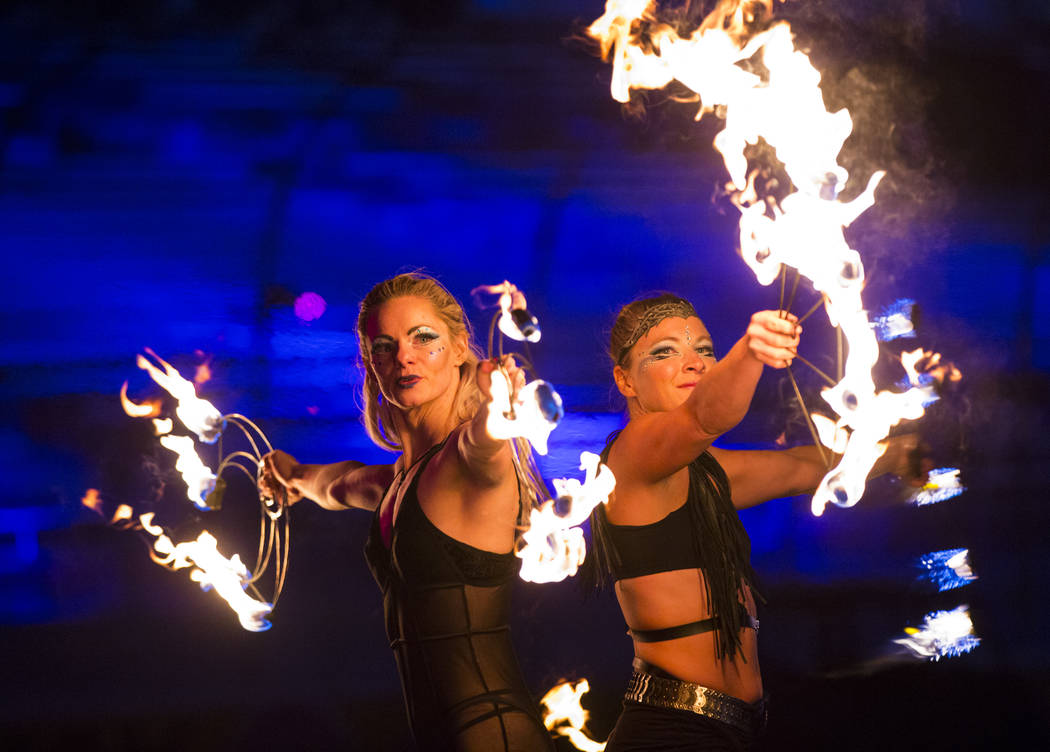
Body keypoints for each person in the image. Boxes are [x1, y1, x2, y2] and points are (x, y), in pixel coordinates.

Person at [584, 293, 922, 751]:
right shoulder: (630, 457)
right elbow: (706, 417)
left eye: (704, 350)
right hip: (671, 734)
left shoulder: (705, 472)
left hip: (733, 732)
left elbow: (797, 469)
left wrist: (899, 453)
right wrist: (750, 349)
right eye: (665, 352)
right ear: (625, 379)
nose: (693, 364)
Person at [258, 273, 555, 752]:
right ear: (371, 363)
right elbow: (335, 485)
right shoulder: (395, 483)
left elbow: (484, 444)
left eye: (424, 338)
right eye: (384, 346)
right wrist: (289, 475)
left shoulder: (468, 462)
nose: (404, 356)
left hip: (496, 737)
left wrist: (497, 407)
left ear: (460, 348)